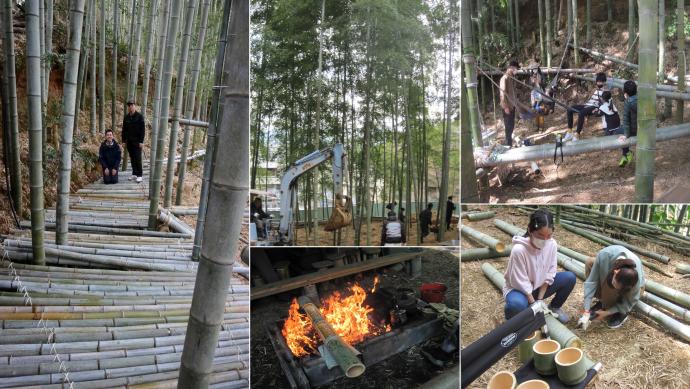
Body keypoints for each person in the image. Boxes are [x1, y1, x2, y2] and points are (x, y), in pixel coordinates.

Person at [503, 209, 576, 323]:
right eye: (540, 236)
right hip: (518, 290)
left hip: (538, 286)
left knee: (569, 278)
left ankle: (555, 307)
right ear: (530, 230)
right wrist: (533, 303)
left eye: (549, 235)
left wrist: (540, 300)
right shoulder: (519, 250)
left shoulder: (551, 244)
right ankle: (511, 321)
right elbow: (520, 281)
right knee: (516, 305)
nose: (545, 240)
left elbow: (550, 273)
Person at [577, 246, 644, 330]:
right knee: (590, 262)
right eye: (617, 286)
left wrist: (607, 312)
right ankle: (604, 302)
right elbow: (591, 282)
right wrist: (586, 311)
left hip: (632, 289)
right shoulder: (604, 255)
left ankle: (620, 312)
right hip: (612, 275)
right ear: (615, 272)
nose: (617, 289)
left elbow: (631, 300)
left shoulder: (634, 278)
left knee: (613, 289)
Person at [565, 72, 608, 142]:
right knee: (570, 109)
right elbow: (589, 99)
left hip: (594, 107)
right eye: (597, 82)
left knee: (581, 113)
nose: (598, 83)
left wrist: (598, 109)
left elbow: (604, 104)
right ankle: (569, 131)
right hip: (587, 105)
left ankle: (577, 134)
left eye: (600, 82)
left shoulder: (606, 91)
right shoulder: (595, 90)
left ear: (604, 82)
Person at [122, 99, 145, 182]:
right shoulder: (126, 117)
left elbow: (142, 130)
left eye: (132, 105)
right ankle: (134, 173)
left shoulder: (139, 117)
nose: (130, 107)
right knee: (132, 158)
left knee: (138, 158)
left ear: (135, 106)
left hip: (137, 142)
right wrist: (123, 141)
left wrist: (141, 141)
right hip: (129, 141)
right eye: (129, 105)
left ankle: (140, 175)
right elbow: (124, 130)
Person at [500, 60, 521, 146]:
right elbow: (502, 93)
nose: (516, 70)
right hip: (507, 107)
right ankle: (508, 145)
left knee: (511, 126)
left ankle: (509, 144)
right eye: (516, 68)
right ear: (511, 68)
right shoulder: (504, 78)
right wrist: (505, 107)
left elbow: (512, 93)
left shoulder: (511, 78)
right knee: (508, 127)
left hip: (512, 106)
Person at [616, 80, 638, 167]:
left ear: (625, 93)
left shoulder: (628, 102)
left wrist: (626, 135)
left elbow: (626, 120)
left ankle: (627, 153)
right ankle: (626, 155)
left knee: (617, 131)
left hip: (634, 130)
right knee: (621, 129)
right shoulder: (642, 98)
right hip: (644, 128)